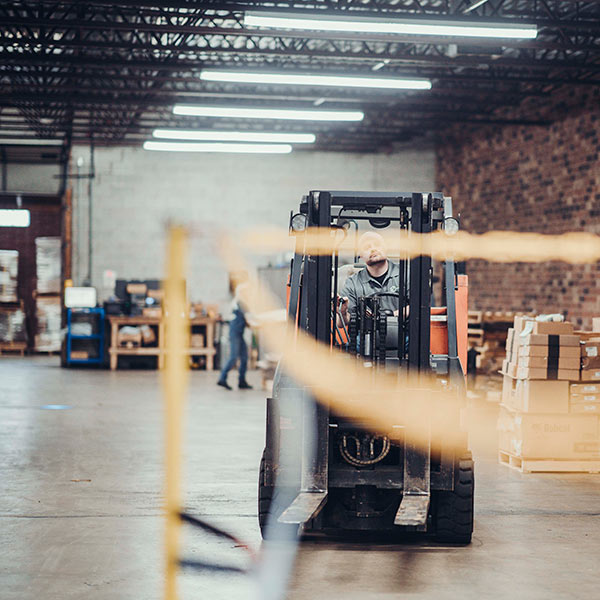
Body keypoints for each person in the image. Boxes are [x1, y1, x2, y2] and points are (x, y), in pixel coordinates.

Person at [339, 231, 401, 325]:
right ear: (360, 255)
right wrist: (343, 312)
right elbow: (342, 323)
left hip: (401, 331)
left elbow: (418, 306)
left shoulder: (406, 275)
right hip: (366, 333)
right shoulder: (352, 283)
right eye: (367, 247)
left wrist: (392, 315)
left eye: (377, 244)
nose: (373, 249)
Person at [217, 282, 253, 391]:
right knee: (233, 357)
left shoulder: (240, 302)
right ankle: (222, 378)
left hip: (239, 334)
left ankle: (242, 381)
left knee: (244, 357)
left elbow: (246, 321)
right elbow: (249, 319)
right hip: (235, 334)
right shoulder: (241, 302)